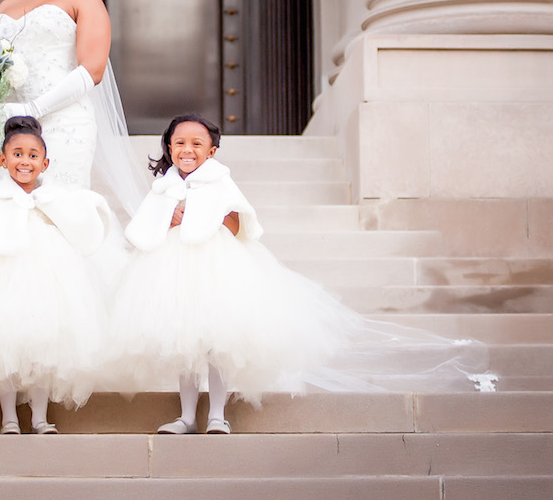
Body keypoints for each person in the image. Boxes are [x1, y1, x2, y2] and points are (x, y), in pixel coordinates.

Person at [109, 113, 493, 435]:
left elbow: (238, 223)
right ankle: (186, 416)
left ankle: (217, 415)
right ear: (169, 147)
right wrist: (169, 216)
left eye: (196, 144)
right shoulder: (165, 186)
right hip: (172, 273)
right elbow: (147, 224)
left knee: (217, 342)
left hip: (217, 269)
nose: (187, 150)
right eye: (179, 143)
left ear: (212, 150)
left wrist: (199, 217)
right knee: (184, 345)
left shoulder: (219, 180)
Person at [0, 117, 114, 434]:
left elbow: (75, 224)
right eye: (17, 154)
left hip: (48, 273)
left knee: (44, 343)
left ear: (45, 163)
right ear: (3, 159)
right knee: (4, 343)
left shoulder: (52, 197)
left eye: (33, 155)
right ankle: (9, 416)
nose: (25, 161)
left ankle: (39, 416)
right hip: (1, 276)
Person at [0, 0, 147, 213]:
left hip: (64, 123)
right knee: (5, 208)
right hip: (9, 124)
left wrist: (33, 109)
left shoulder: (86, 4)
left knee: (58, 211)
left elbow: (92, 71)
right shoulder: (7, 5)